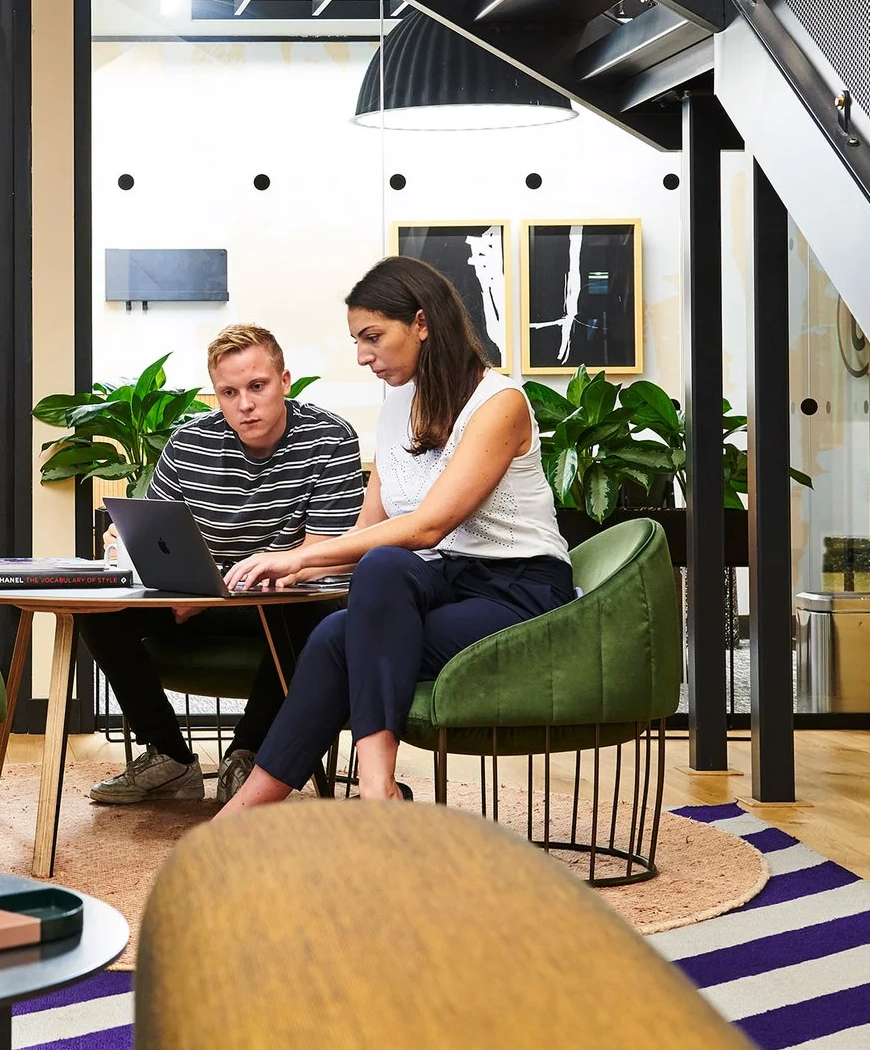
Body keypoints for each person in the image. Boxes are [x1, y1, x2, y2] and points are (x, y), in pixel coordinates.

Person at [219, 257, 572, 815]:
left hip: (518, 589)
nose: (363, 355)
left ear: (423, 323)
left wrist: (291, 557)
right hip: (442, 581)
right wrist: (279, 569)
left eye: (373, 337)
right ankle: (246, 816)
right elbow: (369, 530)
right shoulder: (394, 410)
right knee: (353, 606)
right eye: (358, 340)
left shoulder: (499, 403)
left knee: (350, 624)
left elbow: (429, 525)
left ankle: (369, 792)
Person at [81, 324, 364, 808]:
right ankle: (168, 755)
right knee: (96, 609)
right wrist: (125, 544)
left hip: (286, 601)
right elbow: (155, 540)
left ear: (285, 381)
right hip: (197, 597)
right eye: (229, 393)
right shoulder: (188, 444)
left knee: (315, 614)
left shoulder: (330, 439)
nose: (245, 404)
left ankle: (249, 754)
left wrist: (216, 593)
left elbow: (323, 561)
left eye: (258, 386)